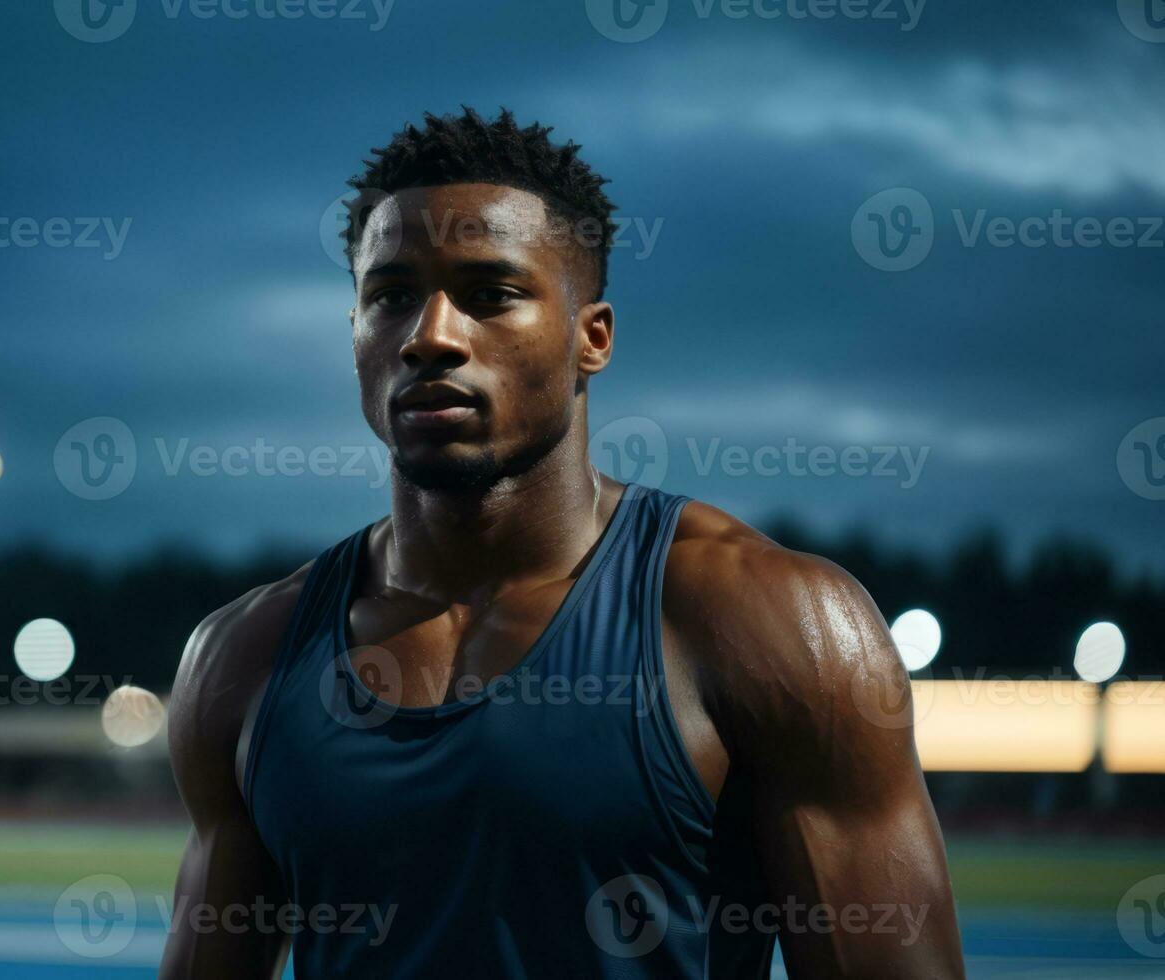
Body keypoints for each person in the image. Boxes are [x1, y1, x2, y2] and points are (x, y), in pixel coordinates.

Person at [159, 107, 965, 979]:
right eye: (389, 296)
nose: (431, 335)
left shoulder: (768, 620)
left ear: (593, 339)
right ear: (355, 334)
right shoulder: (245, 657)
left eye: (490, 294)